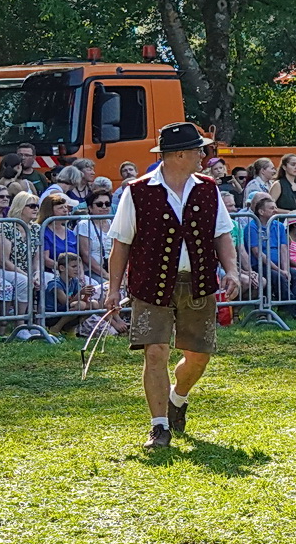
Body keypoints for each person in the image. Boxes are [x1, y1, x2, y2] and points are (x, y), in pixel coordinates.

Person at [103, 122, 240, 449]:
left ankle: (178, 398)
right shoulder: (137, 191)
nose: (204, 156)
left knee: (198, 356)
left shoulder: (208, 188)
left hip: (198, 282)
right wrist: (113, 289)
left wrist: (232, 270)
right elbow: (121, 244)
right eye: (198, 150)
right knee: (155, 352)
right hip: (151, 284)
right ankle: (159, 426)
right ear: (179, 154)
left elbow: (222, 234)